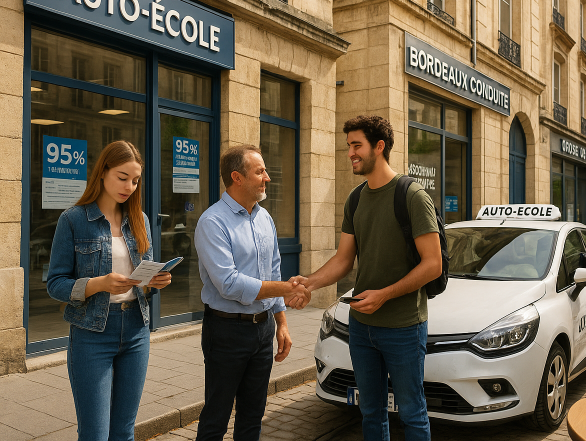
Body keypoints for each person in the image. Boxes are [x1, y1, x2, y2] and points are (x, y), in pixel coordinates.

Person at [289, 116, 442, 441]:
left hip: (403, 327)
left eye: (357, 145)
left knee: (412, 413)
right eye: (349, 146)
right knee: (370, 412)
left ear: (379, 146)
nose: (351, 153)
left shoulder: (412, 196)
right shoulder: (356, 199)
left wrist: (384, 294)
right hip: (361, 328)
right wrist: (310, 283)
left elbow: (433, 264)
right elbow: (344, 259)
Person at [47, 140, 172, 441]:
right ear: (102, 172)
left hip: (136, 331)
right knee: (95, 434)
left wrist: (154, 282)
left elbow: (144, 277)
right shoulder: (74, 220)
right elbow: (55, 284)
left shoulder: (140, 220)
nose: (129, 186)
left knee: (124, 432)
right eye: (122, 177)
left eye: (135, 180)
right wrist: (98, 284)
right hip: (92, 335)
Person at [194, 145, 310, 441]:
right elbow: (229, 283)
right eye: (260, 172)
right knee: (215, 420)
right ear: (237, 178)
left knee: (253, 417)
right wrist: (287, 289)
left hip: (262, 332)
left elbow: (272, 271)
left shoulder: (264, 218)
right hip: (226, 331)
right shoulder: (212, 222)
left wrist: (281, 323)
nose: (267, 178)